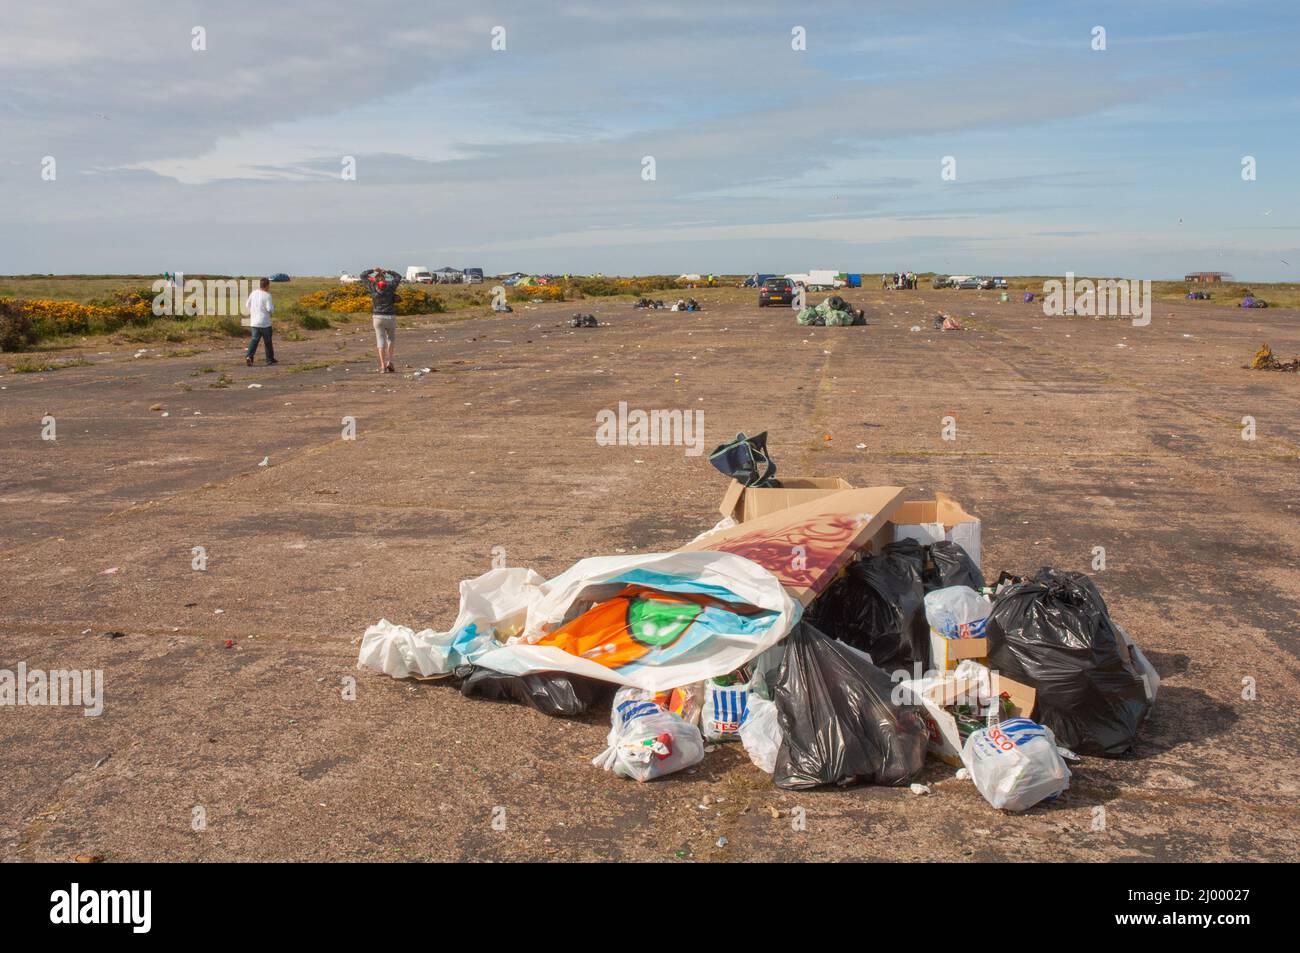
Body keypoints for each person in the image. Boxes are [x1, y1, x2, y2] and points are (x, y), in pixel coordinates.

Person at [360, 266, 402, 373]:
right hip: (390, 316)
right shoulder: (391, 286)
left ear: (375, 279)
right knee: (391, 339)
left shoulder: (372, 287)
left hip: (377, 317)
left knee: (380, 341)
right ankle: (390, 362)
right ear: (384, 279)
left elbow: (362, 275)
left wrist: (373, 270)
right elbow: (398, 276)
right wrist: (387, 271)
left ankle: (382, 366)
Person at [244, 277, 276, 366]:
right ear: (267, 285)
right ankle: (269, 359)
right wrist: (273, 308)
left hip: (254, 322)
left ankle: (249, 356)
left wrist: (254, 310)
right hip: (265, 322)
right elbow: (269, 309)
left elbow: (247, 305)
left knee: (254, 340)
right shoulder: (267, 295)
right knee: (268, 341)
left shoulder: (253, 293)